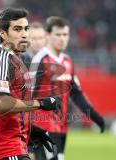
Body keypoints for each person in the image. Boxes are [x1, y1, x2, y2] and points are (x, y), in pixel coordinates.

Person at [0, 8, 61, 160]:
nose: (25, 34)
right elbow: (1, 103)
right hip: (6, 150)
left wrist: (31, 130)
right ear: (3, 33)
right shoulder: (3, 60)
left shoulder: (16, 61)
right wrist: (40, 103)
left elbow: (11, 108)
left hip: (14, 148)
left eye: (26, 29)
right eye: (17, 29)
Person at [30, 16, 105, 160]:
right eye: (57, 34)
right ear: (48, 35)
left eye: (65, 34)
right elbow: (28, 93)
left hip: (62, 125)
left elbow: (76, 93)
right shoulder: (40, 60)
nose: (62, 39)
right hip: (42, 125)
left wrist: (95, 116)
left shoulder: (67, 61)